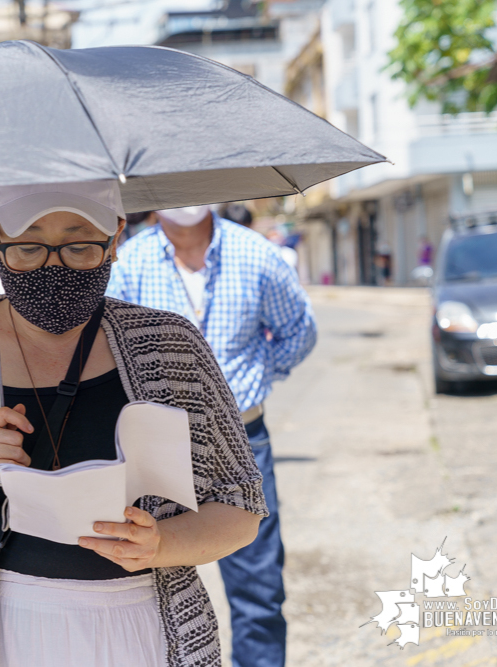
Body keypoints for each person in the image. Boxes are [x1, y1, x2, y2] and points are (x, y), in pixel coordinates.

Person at [0, 180, 268, 667]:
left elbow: (240, 508)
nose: (54, 266)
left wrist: (162, 544)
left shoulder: (170, 347)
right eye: (28, 247)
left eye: (79, 246)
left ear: (116, 237)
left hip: (140, 629)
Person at [107, 204, 317, 667]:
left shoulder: (256, 254)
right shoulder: (129, 261)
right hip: (154, 447)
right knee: (146, 575)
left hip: (244, 437)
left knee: (258, 587)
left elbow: (299, 331)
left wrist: (257, 377)